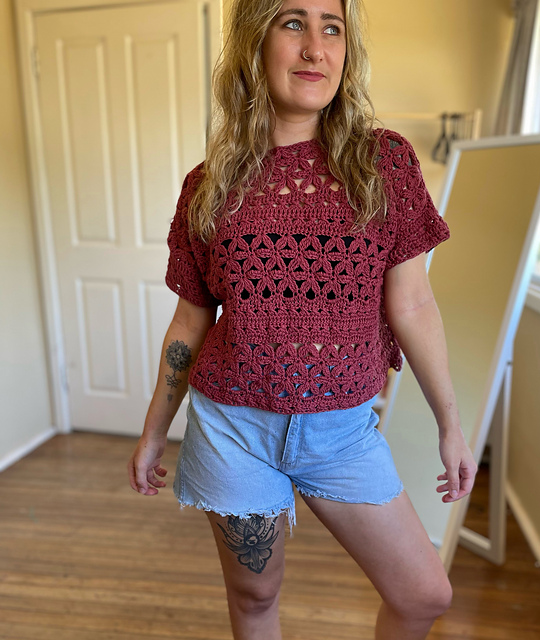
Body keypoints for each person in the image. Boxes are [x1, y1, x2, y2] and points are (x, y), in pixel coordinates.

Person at [127, 0, 478, 638]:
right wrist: (155, 430)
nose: (316, 46)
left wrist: (450, 423)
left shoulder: (384, 164)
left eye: (332, 27)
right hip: (232, 430)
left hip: (342, 434)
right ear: (255, 43)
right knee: (255, 598)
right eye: (293, 23)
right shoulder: (208, 187)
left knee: (424, 594)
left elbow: (412, 304)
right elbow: (189, 322)